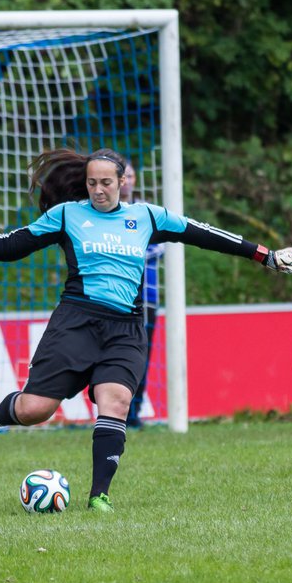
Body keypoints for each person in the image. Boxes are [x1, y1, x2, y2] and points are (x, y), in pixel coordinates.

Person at [0, 148, 292, 513]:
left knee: (116, 403)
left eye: (106, 183)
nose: (99, 190)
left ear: (122, 182)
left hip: (125, 329)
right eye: (92, 183)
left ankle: (99, 498)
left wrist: (267, 256)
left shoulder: (148, 217)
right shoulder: (67, 215)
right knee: (34, 409)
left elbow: (205, 233)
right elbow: (10, 244)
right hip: (75, 323)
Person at [117, 156, 164, 429]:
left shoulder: (146, 211)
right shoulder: (102, 214)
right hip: (116, 297)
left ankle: (133, 413)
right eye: (123, 176)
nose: (127, 181)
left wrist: (128, 252)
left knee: (141, 356)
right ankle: (112, 409)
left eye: (131, 176)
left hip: (146, 298)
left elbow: (162, 245)